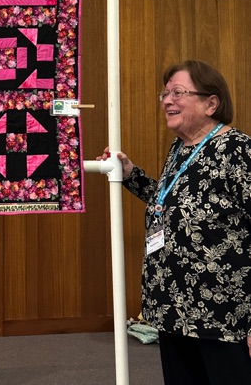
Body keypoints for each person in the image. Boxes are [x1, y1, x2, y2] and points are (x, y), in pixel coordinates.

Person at [98, 59, 251, 384]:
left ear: (211, 103)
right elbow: (171, 204)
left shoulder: (237, 150)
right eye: (165, 94)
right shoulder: (181, 148)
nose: (167, 100)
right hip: (173, 308)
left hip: (222, 315)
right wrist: (131, 175)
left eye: (178, 92)